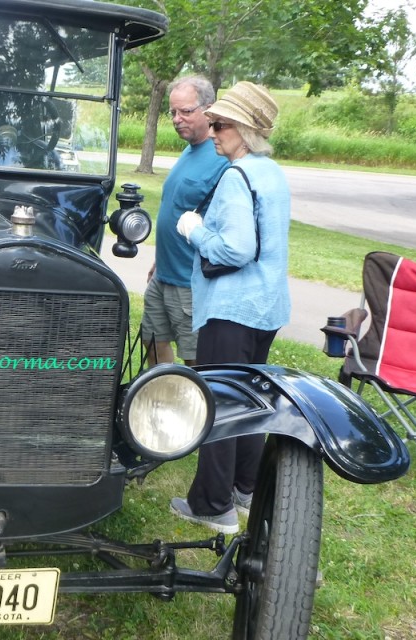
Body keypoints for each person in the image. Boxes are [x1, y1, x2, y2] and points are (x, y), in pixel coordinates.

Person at [170, 81, 292, 534]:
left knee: (218, 403)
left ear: (244, 130)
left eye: (221, 124)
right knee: (252, 400)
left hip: (231, 308)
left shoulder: (238, 176)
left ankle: (212, 505)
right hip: (267, 308)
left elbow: (238, 248)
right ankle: (244, 487)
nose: (213, 130)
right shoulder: (271, 172)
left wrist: (195, 230)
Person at [141, 76, 229, 367]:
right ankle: (163, 401)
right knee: (152, 342)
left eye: (186, 111)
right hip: (164, 274)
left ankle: (191, 408)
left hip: (191, 284)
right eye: (173, 113)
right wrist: (158, 260)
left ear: (209, 108)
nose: (177, 119)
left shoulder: (222, 157)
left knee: (195, 361)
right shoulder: (188, 150)